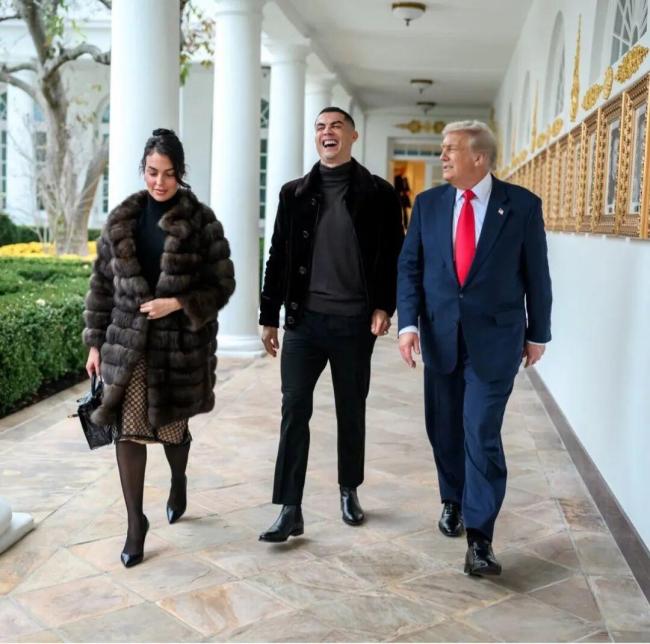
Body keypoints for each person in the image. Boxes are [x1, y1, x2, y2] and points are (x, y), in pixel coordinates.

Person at [397, 120, 552, 576]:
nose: (442, 156)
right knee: (444, 428)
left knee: (481, 431)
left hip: (496, 341)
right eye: (442, 148)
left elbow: (537, 275)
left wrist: (537, 333)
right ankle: (453, 499)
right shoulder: (428, 205)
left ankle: (480, 539)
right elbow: (410, 268)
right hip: (440, 337)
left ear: (479, 158)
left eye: (451, 149)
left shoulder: (521, 206)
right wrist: (408, 325)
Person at [83, 128, 235, 567]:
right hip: (128, 343)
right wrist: (95, 343)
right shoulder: (122, 221)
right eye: (152, 172)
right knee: (127, 430)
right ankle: (136, 523)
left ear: (180, 173)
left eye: (168, 173)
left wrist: (179, 303)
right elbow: (101, 287)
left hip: (178, 348)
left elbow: (222, 284)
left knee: (171, 431)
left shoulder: (201, 222)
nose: (159, 181)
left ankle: (178, 479)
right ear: (143, 170)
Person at [258, 107, 404, 542]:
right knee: (293, 409)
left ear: (352, 136)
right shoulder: (294, 193)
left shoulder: (379, 194)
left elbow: (392, 257)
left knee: (350, 409)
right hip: (303, 323)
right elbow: (278, 256)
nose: (327, 132)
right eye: (320, 127)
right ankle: (289, 507)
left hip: (354, 324)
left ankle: (348, 490)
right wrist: (268, 315)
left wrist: (384, 306)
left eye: (336, 126)